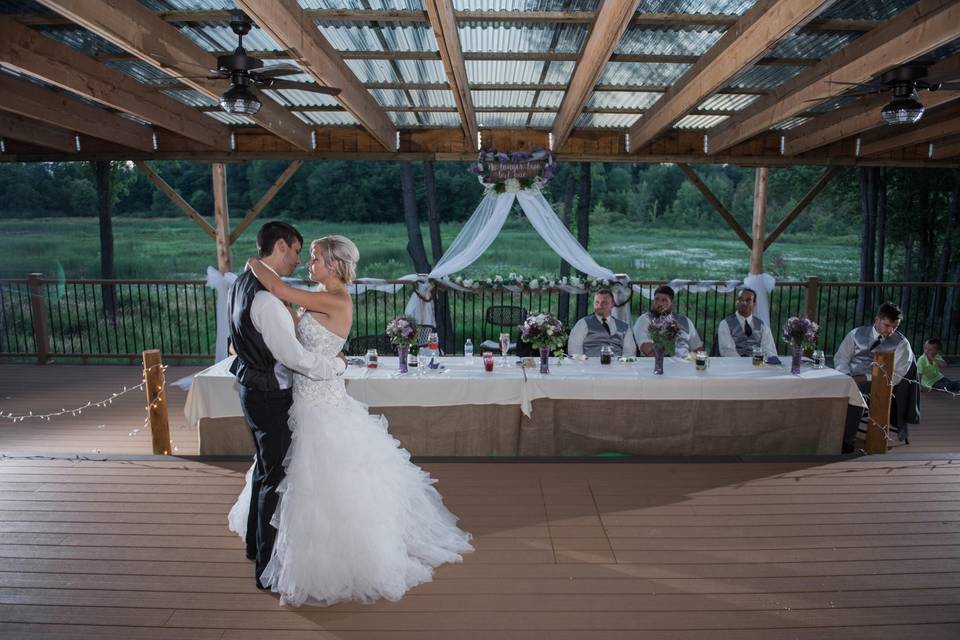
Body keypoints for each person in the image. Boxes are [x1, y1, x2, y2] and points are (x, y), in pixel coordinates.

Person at [229, 234, 472, 607]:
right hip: (303, 398)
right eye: (307, 258)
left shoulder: (334, 298)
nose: (308, 265)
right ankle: (272, 546)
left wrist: (250, 263)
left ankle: (323, 557)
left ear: (333, 264)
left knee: (320, 482)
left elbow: (276, 286)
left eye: (314, 259)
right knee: (287, 475)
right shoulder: (321, 297)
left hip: (320, 404)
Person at [227, 222, 348, 591]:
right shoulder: (267, 298)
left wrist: (253, 264)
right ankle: (266, 563)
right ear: (281, 246)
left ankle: (256, 547)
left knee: (268, 472)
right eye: (298, 252)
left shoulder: (243, 285)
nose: (300, 260)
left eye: (310, 257)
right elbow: (294, 356)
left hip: (266, 390)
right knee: (274, 478)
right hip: (273, 393)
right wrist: (338, 365)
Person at [834, 301, 916, 454]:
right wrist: (846, 376)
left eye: (895, 326)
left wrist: (865, 377)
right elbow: (841, 358)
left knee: (857, 396)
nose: (891, 330)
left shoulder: (902, 344)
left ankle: (846, 443)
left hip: (881, 386)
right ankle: (827, 435)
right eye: (887, 325)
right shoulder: (856, 333)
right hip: (848, 378)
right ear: (877, 319)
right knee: (828, 390)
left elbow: (896, 376)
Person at [632, 285, 702, 358]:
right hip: (657, 364)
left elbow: (698, 349)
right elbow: (648, 351)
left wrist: (691, 361)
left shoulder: (685, 321)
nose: (659, 304)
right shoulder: (645, 319)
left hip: (685, 363)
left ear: (672, 303)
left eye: (664, 300)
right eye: (656, 299)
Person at [567, 289, 637, 357]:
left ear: (612, 304)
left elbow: (629, 352)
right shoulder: (583, 323)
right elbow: (574, 350)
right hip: (590, 366)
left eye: (604, 302)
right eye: (597, 302)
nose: (600, 306)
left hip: (617, 366)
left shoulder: (624, 327)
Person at [717, 287, 778, 358]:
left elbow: (769, 351)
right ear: (737, 302)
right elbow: (727, 351)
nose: (744, 303)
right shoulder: (725, 324)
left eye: (748, 300)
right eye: (740, 299)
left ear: (754, 304)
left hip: (757, 365)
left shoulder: (763, 326)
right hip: (734, 366)